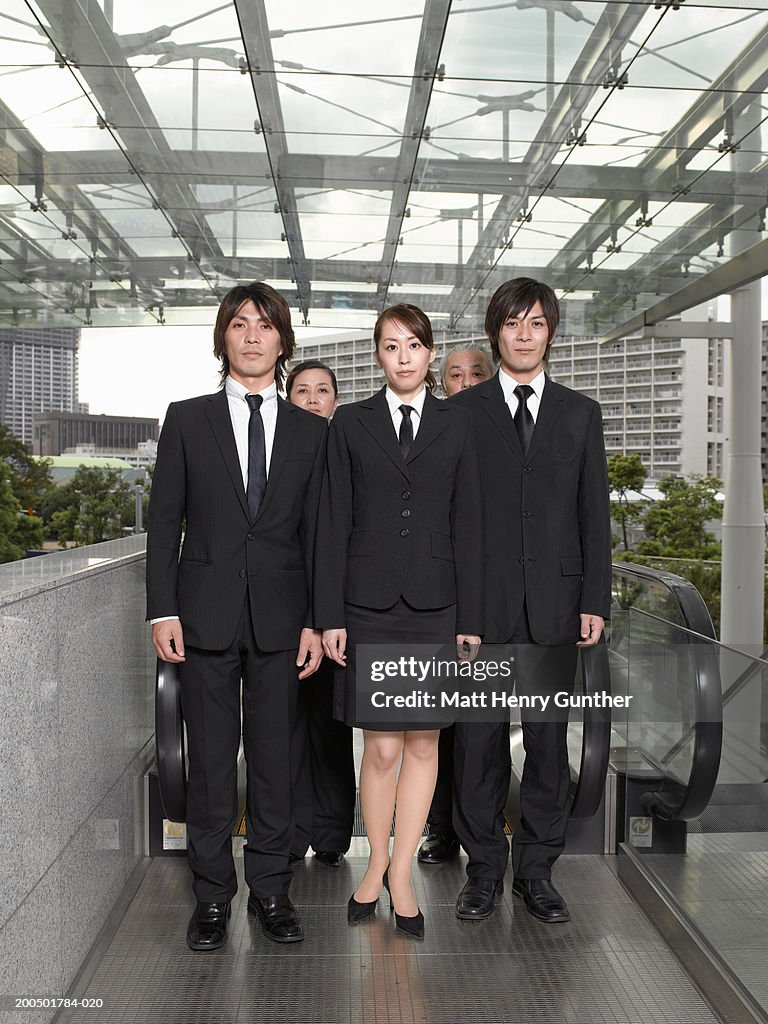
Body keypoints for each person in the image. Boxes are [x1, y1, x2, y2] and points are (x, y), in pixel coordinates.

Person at [146, 282, 327, 950]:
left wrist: (315, 619)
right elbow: (165, 524)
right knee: (213, 764)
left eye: (265, 325)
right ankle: (214, 897)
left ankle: (273, 891)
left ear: (283, 341)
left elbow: (319, 535)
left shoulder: (311, 431)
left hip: (284, 622)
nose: (252, 336)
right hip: (202, 616)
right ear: (223, 337)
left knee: (278, 762)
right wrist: (161, 609)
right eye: (240, 324)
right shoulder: (186, 419)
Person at [316, 304, 483, 940]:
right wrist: (330, 614)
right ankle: (375, 864)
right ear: (378, 355)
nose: (404, 356)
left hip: (438, 605)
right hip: (368, 604)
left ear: (431, 353)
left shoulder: (458, 424)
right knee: (382, 745)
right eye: (391, 346)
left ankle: (404, 875)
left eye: (415, 345)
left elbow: (470, 523)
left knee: (423, 743)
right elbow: (332, 522)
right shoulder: (350, 424)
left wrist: (470, 617)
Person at [451, 278, 611, 924]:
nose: (524, 335)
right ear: (496, 332)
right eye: (513, 324)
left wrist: (594, 597)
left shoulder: (580, 413)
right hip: (482, 610)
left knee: (547, 746)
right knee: (478, 746)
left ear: (550, 333)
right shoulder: (462, 412)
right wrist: (457, 610)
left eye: (537, 324)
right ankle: (484, 871)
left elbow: (592, 513)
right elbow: (452, 518)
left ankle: (537, 872)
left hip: (556, 604)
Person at [418, 343, 494, 867]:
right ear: (440, 383)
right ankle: (441, 828)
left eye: (476, 373)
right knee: (440, 725)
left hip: (502, 598)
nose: (465, 382)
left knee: (482, 725)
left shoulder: (501, 425)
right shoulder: (434, 432)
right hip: (442, 599)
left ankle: (479, 834)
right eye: (455, 375)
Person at [285, 360, 356, 867]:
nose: (313, 399)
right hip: (284, 609)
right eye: (302, 391)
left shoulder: (348, 447)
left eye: (323, 391)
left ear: (335, 400)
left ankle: (332, 833)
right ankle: (289, 831)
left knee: (333, 726)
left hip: (340, 611)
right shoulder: (276, 451)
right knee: (286, 725)